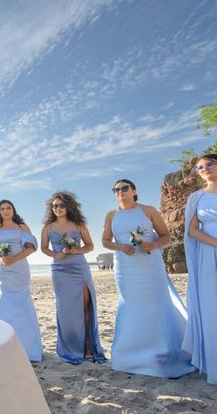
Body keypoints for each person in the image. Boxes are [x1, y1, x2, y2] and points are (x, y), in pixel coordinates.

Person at [101, 179, 193, 378]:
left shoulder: (148, 210)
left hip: (150, 265)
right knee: (131, 303)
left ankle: (164, 352)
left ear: (134, 190)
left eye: (124, 188)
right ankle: (131, 355)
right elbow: (105, 241)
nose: (120, 191)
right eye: (116, 189)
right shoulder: (111, 215)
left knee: (156, 302)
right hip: (126, 267)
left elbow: (166, 236)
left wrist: (153, 245)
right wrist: (121, 246)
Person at [40, 191, 106, 364]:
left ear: (68, 206)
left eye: (61, 205)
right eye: (55, 206)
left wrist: (76, 250)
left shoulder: (79, 225)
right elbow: (44, 248)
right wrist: (56, 254)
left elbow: (90, 246)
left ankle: (87, 346)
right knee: (66, 310)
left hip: (79, 268)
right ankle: (70, 347)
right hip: (59, 270)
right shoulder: (48, 227)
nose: (58, 208)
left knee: (85, 306)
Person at [0, 200, 42, 362]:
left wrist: (14, 258)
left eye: (8, 208)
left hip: (19, 268)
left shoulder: (21, 226)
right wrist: (0, 258)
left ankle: (28, 348)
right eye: (2, 209)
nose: (6, 211)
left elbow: (31, 247)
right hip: (1, 270)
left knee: (21, 302)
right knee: (2, 302)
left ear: (13, 210)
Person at [183, 154, 217, 384]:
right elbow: (192, 230)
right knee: (211, 305)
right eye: (200, 167)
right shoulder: (196, 197)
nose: (204, 169)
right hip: (208, 253)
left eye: (209, 164)